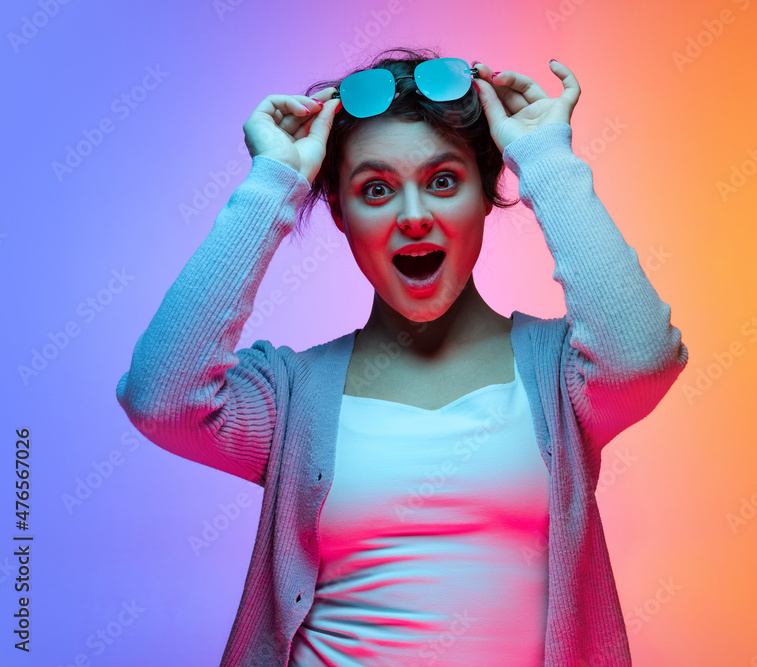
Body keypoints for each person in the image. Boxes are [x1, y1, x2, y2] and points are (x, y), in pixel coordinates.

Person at [116, 46, 688, 667]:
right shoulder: (290, 396)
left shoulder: (562, 375)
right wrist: (272, 183)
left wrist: (545, 160)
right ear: (340, 213)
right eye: (377, 189)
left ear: (485, 196)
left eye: (443, 181)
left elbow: (643, 357)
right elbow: (160, 398)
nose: (414, 217)